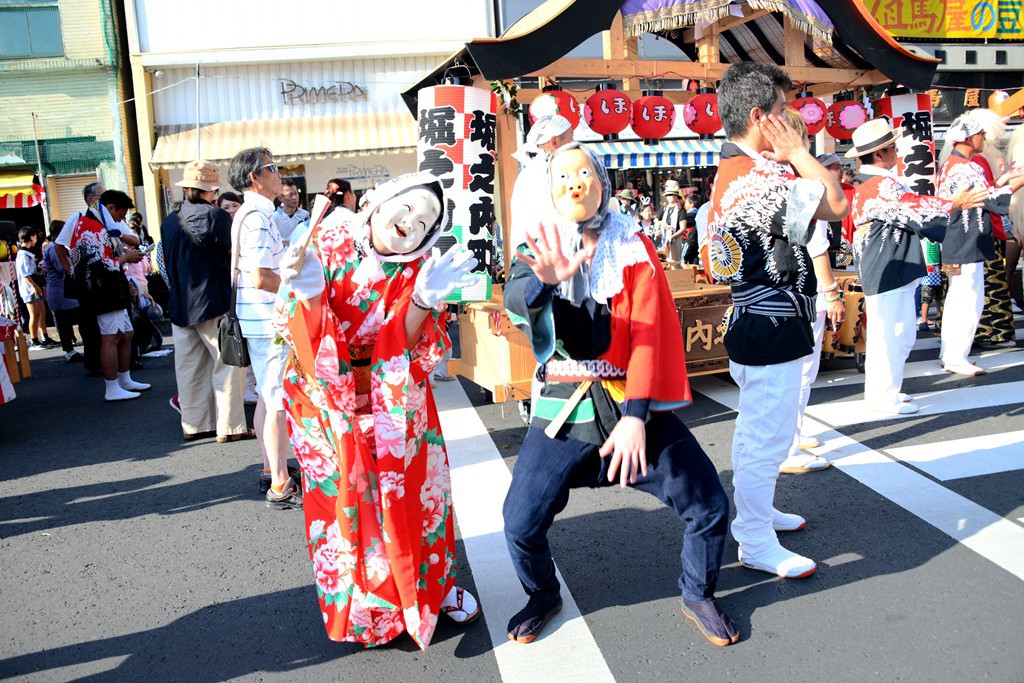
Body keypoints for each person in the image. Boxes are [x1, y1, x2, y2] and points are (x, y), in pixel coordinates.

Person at [503, 143, 738, 648]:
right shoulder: (538, 245)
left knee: (710, 502)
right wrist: (547, 285)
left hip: (628, 398)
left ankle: (698, 593)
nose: (575, 182)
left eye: (584, 172)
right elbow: (517, 300)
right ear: (550, 187)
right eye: (563, 175)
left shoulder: (633, 243)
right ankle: (543, 594)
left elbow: (649, 331)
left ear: (602, 182)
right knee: (519, 522)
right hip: (564, 403)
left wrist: (636, 416)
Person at [273, 171, 481, 648]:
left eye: (427, 220)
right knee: (348, 503)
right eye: (407, 208)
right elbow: (301, 338)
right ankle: (370, 611)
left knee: (421, 494)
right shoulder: (324, 240)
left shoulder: (420, 267)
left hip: (395, 392)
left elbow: (405, 346)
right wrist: (307, 297)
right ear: (377, 201)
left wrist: (425, 302)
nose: (414, 222)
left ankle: (435, 587)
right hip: (324, 397)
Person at [708, 63, 848, 579]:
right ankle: (754, 538)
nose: (790, 121)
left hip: (763, 318)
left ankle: (758, 517)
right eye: (784, 112)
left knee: (761, 430)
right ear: (760, 117)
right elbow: (834, 204)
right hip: (769, 319)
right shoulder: (757, 174)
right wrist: (797, 154)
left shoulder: (738, 171)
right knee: (765, 435)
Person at [850, 118, 987, 413]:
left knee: (897, 332)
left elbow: (912, 206)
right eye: (892, 147)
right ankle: (883, 397)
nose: (897, 151)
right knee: (891, 333)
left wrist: (950, 204)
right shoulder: (878, 185)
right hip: (886, 264)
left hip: (889, 262)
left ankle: (889, 391)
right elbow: (913, 209)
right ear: (878, 154)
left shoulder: (874, 183)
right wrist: (953, 204)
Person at [228, 147, 300, 508]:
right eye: (273, 168)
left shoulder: (254, 213)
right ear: (255, 177)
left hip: (257, 319)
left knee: (266, 397)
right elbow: (260, 276)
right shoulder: (256, 216)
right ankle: (280, 483)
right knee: (277, 401)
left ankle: (270, 469)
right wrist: (297, 289)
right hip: (266, 319)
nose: (280, 174)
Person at [162, 160, 250, 443]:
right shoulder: (215, 216)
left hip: (180, 303)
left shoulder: (169, 220)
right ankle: (230, 426)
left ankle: (195, 424)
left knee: (189, 368)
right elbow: (233, 255)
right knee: (227, 365)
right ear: (211, 190)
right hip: (213, 299)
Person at [778, 110, 843, 473]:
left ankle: (792, 437)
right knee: (800, 373)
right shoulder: (798, 178)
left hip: (783, 294)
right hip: (803, 294)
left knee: (798, 374)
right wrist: (832, 292)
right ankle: (788, 446)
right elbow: (816, 243)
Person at [936, 112, 1024, 376]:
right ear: (970, 137)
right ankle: (956, 356)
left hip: (959, 237)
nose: (983, 139)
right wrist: (1016, 181)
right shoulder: (967, 166)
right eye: (981, 134)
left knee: (959, 296)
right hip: (967, 237)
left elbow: (986, 194)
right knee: (968, 297)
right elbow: (992, 200)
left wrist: (1006, 179)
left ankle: (950, 353)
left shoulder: (951, 164)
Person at [68, 190, 150, 401]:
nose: (120, 220)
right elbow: (98, 264)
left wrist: (124, 256)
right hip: (101, 289)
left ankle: (124, 379)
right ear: (110, 207)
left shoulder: (97, 223)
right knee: (111, 336)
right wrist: (125, 257)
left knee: (126, 333)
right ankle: (112, 386)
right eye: (120, 215)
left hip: (110, 286)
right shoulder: (91, 225)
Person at [509, 115, 574, 251]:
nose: (575, 142)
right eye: (571, 136)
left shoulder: (534, 172)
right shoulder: (540, 175)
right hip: (547, 260)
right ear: (555, 142)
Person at [42, 220, 82, 361]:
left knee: (67, 321)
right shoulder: (54, 248)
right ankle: (69, 351)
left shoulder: (60, 247)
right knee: (63, 322)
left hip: (64, 291)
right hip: (60, 291)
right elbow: (63, 268)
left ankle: (71, 349)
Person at [16, 227, 55, 349]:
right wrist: (35, 287)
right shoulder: (22, 254)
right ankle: (34, 340)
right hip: (29, 289)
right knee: (34, 314)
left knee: (42, 312)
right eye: (35, 236)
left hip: (34, 287)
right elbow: (25, 274)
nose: (36, 239)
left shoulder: (27, 253)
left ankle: (44, 336)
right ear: (30, 237)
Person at [271, 178, 310, 245]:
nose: (294, 197)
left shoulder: (305, 214)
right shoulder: (274, 217)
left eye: (296, 193)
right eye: (290, 195)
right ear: (280, 198)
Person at [658, 180, 685, 267]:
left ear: (676, 196)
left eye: (670, 195)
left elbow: (682, 228)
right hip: (664, 238)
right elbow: (656, 219)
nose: (668, 197)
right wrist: (662, 223)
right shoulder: (665, 207)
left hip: (675, 239)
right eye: (667, 195)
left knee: (674, 262)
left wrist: (672, 237)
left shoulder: (680, 209)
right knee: (665, 262)